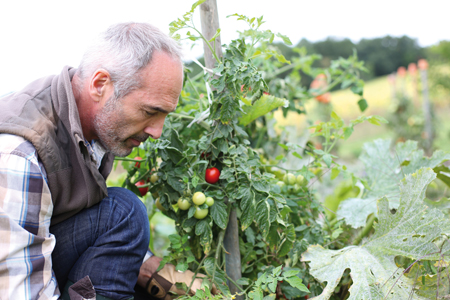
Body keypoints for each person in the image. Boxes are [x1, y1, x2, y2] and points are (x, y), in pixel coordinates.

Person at [0, 22, 208, 300]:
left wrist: (144, 266)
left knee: (120, 219)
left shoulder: (96, 124)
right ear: (100, 85)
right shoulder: (20, 153)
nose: (157, 132)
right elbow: (17, 292)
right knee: (124, 213)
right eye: (149, 111)